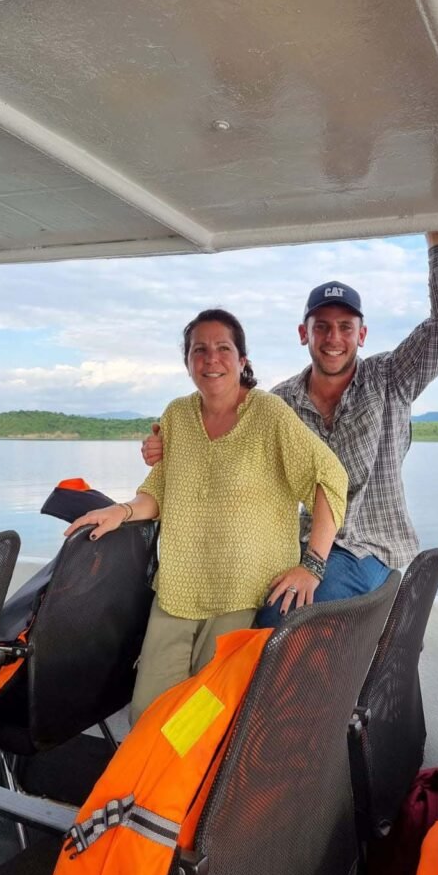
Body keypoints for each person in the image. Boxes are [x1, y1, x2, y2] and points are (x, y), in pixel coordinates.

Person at [142, 232, 438, 626]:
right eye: (322, 327)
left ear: (361, 335)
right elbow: (222, 423)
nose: (334, 338)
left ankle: (274, 688)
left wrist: (437, 238)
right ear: (304, 334)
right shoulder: (280, 403)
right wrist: (168, 444)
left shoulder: (392, 378)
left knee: (274, 620)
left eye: (345, 327)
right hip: (301, 546)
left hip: (368, 549)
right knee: (239, 603)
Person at [68, 309, 347, 721]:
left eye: (223, 348)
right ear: (187, 363)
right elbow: (159, 492)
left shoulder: (269, 414)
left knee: (201, 719)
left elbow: (330, 478)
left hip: (244, 592)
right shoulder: (177, 416)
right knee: (147, 714)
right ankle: (149, 787)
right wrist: (120, 511)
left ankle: (194, 788)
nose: (211, 359)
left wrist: (313, 564)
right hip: (178, 590)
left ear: (242, 361)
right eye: (199, 350)